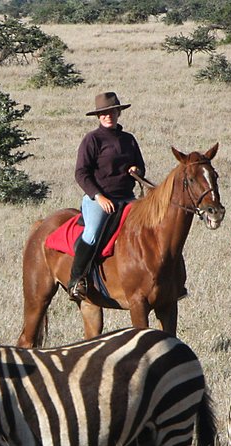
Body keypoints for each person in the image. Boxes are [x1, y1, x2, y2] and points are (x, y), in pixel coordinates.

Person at [68, 91, 146, 301]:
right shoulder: (92, 139)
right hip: (100, 199)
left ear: (119, 112)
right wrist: (99, 197)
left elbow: (141, 167)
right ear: (98, 116)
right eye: (103, 113)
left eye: (112, 111)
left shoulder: (128, 139)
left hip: (127, 197)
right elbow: (81, 173)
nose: (108, 116)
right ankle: (77, 280)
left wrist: (136, 170)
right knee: (92, 234)